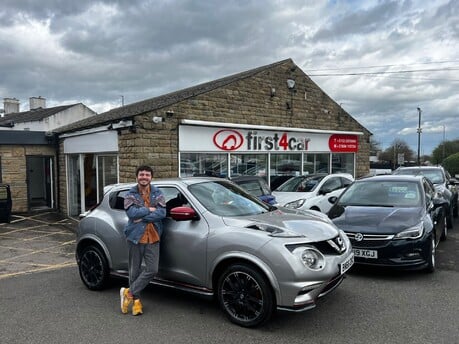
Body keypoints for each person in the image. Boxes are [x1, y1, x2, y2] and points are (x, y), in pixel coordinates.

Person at [120, 165, 166, 315]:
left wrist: (143, 217)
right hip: (135, 236)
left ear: (151, 177)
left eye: (147, 175)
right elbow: (132, 214)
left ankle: (129, 292)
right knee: (134, 270)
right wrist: (149, 209)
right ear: (137, 177)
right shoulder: (130, 194)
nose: (144, 177)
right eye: (141, 174)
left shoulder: (158, 193)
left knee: (152, 269)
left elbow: (162, 213)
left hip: (153, 235)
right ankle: (136, 302)